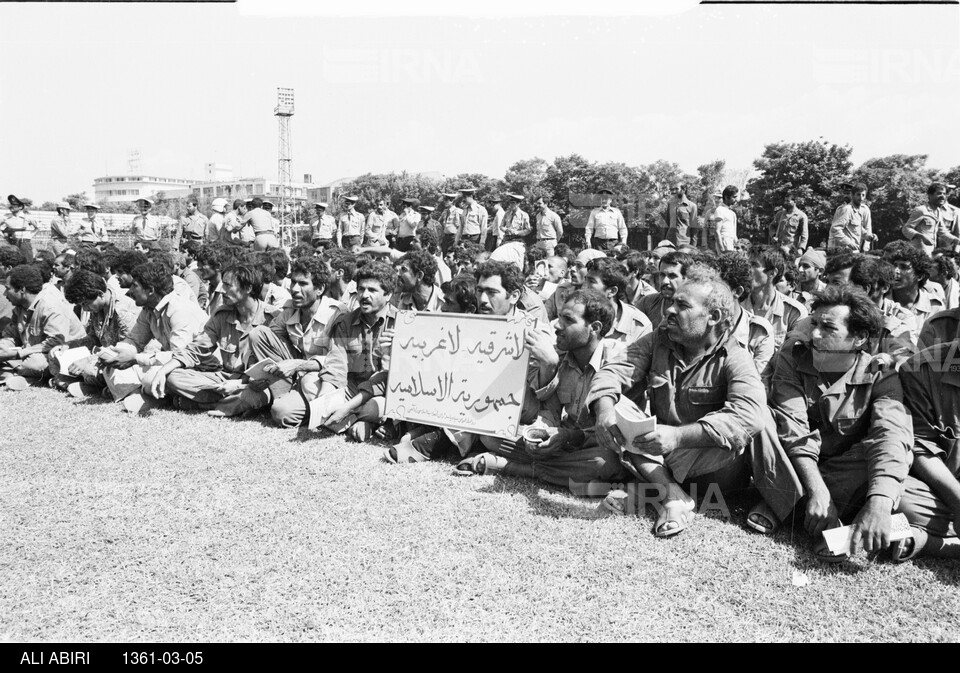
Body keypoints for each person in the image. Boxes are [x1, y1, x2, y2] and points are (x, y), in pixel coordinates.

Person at [588, 271, 802, 538]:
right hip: (660, 455)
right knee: (617, 406)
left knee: (761, 418)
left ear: (713, 317)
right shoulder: (659, 339)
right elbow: (613, 371)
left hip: (714, 467)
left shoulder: (734, 356)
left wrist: (678, 436)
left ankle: (656, 490)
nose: (669, 311)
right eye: (672, 302)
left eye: (683, 305)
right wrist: (605, 409)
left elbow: (749, 416)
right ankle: (672, 496)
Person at [769, 284, 911, 562]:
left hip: (840, 471)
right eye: (814, 323)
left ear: (859, 338)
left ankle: (782, 505)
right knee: (763, 424)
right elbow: (794, 434)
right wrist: (818, 492)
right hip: (794, 464)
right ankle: (820, 513)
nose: (815, 334)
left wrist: (879, 503)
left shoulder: (880, 375)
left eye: (829, 328)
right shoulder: (792, 359)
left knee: (881, 453)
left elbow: (891, 436)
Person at [152, 264, 280, 413]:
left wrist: (240, 384)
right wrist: (163, 370)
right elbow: (196, 348)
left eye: (227, 285)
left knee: (258, 396)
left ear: (248, 288)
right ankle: (229, 404)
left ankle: (204, 404)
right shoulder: (222, 315)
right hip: (225, 378)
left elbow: (276, 366)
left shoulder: (272, 318)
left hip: (255, 383)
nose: (222, 290)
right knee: (174, 377)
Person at [297, 261, 399, 441]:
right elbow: (336, 364)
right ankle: (354, 422)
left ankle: (347, 418)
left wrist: (347, 407)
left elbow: (387, 378)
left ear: (388, 294)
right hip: (350, 388)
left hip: (381, 394)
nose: (364, 295)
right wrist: (325, 400)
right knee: (309, 381)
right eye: (361, 289)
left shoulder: (400, 324)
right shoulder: (345, 321)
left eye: (372, 290)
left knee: (378, 406)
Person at [238, 256, 344, 424]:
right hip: (295, 375)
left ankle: (297, 405)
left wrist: (296, 365)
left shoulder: (337, 314)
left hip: (322, 379)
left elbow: (339, 362)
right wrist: (254, 372)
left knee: (281, 412)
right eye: (293, 282)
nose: (294, 289)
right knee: (258, 333)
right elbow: (268, 342)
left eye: (302, 284)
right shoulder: (291, 308)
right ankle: (279, 393)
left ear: (320, 289)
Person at [96, 262, 207, 412]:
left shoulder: (180, 310)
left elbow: (180, 357)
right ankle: (143, 394)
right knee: (112, 367)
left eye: (135, 286)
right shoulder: (148, 310)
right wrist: (114, 353)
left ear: (150, 290)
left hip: (194, 367)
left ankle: (149, 395)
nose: (130, 291)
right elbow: (134, 340)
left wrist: (135, 359)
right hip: (169, 362)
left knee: (152, 378)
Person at [894, 339, 960, 560]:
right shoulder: (921, 369)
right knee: (901, 501)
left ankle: (930, 543)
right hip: (939, 491)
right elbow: (919, 447)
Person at [52, 269, 141, 396]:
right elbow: (93, 338)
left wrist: (88, 360)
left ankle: (100, 388)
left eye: (86, 304)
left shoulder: (122, 312)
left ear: (100, 294)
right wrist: (70, 345)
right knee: (58, 359)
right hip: (104, 358)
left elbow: (126, 352)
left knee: (89, 370)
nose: (85, 309)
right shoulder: (97, 307)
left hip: (126, 361)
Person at [0, 265, 85, 384]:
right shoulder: (20, 306)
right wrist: (3, 346)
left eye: (7, 288)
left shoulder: (50, 306)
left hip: (61, 353)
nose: (4, 294)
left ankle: (13, 371)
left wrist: (18, 354)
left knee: (35, 364)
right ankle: (17, 372)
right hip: (31, 352)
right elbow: (12, 334)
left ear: (22, 290)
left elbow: (57, 342)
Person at [712, 252, 777, 385]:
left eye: (716, 289)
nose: (709, 294)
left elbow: (757, 384)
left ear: (737, 292)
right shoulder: (702, 323)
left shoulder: (759, 331)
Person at [741, 246, 807, 351]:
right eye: (747, 264)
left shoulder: (794, 312)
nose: (747, 270)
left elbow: (792, 357)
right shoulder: (738, 306)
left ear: (772, 273)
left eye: (754, 265)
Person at [581, 257, 652, 343]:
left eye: (591, 281)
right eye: (585, 280)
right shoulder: (576, 312)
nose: (584, 287)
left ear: (612, 291)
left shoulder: (638, 326)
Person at [883, 240, 944, 328]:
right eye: (894, 265)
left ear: (919, 276)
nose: (895, 271)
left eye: (904, 267)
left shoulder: (934, 306)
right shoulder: (882, 302)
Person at [636, 251, 696, 330]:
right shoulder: (647, 302)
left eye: (672, 276)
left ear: (686, 278)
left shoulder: (695, 307)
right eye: (662, 275)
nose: (665, 281)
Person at [902, 182, 960, 256]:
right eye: (939, 193)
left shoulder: (938, 211)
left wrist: (955, 240)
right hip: (918, 253)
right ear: (930, 195)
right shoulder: (921, 210)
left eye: (944, 194)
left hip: (931, 252)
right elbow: (906, 229)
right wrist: (921, 236)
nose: (943, 196)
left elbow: (942, 231)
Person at [828, 182, 875, 252]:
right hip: (843, 251)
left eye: (863, 195)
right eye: (858, 195)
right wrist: (849, 243)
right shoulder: (846, 209)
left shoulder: (860, 210)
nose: (861, 198)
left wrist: (869, 237)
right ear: (853, 195)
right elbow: (835, 229)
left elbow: (857, 229)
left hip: (854, 251)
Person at [1, 195, 40, 262]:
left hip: (24, 243)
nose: (11, 207)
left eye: (14, 205)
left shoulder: (28, 217)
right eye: (11, 204)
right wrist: (5, 237)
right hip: (12, 243)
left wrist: (30, 236)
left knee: (28, 262)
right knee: (13, 261)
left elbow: (38, 228)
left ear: (20, 207)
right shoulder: (6, 217)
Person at [707, 185, 738, 252]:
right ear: (726, 197)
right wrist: (721, 248)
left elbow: (734, 234)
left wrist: (738, 246)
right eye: (734, 197)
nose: (736, 199)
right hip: (724, 243)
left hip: (732, 244)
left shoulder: (732, 213)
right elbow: (717, 231)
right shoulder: (720, 210)